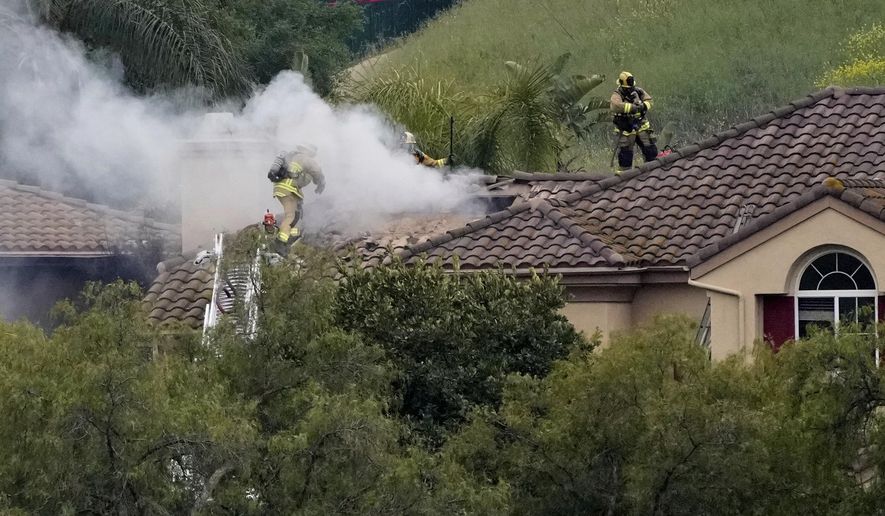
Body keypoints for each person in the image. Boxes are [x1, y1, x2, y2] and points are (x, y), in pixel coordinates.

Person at [266, 144, 325, 257]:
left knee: (297, 215)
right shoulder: (305, 158)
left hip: (286, 189)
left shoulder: (291, 156)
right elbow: (317, 171)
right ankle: (280, 243)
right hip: (289, 189)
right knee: (291, 216)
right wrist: (321, 183)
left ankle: (291, 238)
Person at [610, 71, 659, 173]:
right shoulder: (617, 94)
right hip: (626, 129)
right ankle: (624, 179)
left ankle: (653, 174)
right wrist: (632, 107)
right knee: (625, 156)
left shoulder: (639, 91)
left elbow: (649, 100)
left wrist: (643, 106)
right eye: (627, 88)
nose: (630, 90)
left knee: (650, 152)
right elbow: (615, 106)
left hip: (642, 126)